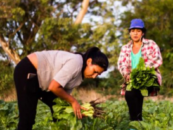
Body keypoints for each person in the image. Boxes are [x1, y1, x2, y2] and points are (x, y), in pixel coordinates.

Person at [14, 46, 109, 130]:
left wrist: (76, 110)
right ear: (89, 62)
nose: (94, 76)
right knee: (27, 118)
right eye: (95, 71)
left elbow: (61, 96)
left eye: (98, 74)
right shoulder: (76, 62)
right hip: (28, 69)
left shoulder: (80, 77)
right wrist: (73, 101)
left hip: (40, 80)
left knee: (59, 111)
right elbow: (54, 87)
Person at [117, 19, 162, 123]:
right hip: (132, 79)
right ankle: (137, 121)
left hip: (148, 77)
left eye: (138, 30)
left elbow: (157, 59)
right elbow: (121, 64)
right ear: (130, 33)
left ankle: (135, 122)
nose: (135, 33)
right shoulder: (125, 48)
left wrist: (142, 71)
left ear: (143, 33)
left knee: (133, 94)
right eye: (133, 31)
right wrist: (126, 74)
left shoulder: (151, 44)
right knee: (131, 95)